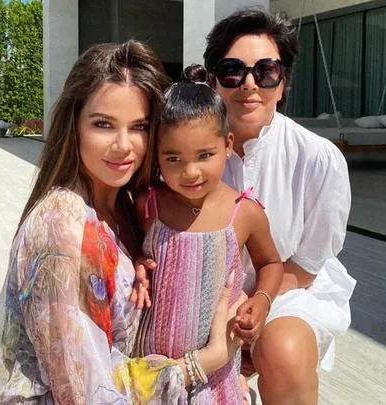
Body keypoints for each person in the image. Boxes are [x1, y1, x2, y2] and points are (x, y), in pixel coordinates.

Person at [0, 41, 245, 405]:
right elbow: (86, 393)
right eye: (103, 124)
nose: (124, 145)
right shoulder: (63, 228)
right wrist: (205, 362)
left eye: (139, 126)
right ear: (74, 123)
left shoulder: (128, 203)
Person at [203, 8, 357, 405]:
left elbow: (307, 265)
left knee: (283, 353)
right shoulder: (185, 154)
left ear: (283, 81)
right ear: (212, 80)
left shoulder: (318, 159)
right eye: (233, 71)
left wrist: (254, 311)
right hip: (202, 291)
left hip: (288, 291)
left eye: (266, 71)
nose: (249, 85)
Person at [132, 65, 283, 404]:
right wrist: (138, 261)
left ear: (227, 145)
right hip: (152, 364)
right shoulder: (148, 203)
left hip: (214, 376)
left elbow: (271, 263)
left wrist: (261, 300)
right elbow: (128, 252)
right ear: (157, 156)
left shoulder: (244, 212)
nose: (190, 171)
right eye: (173, 158)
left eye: (204, 155)